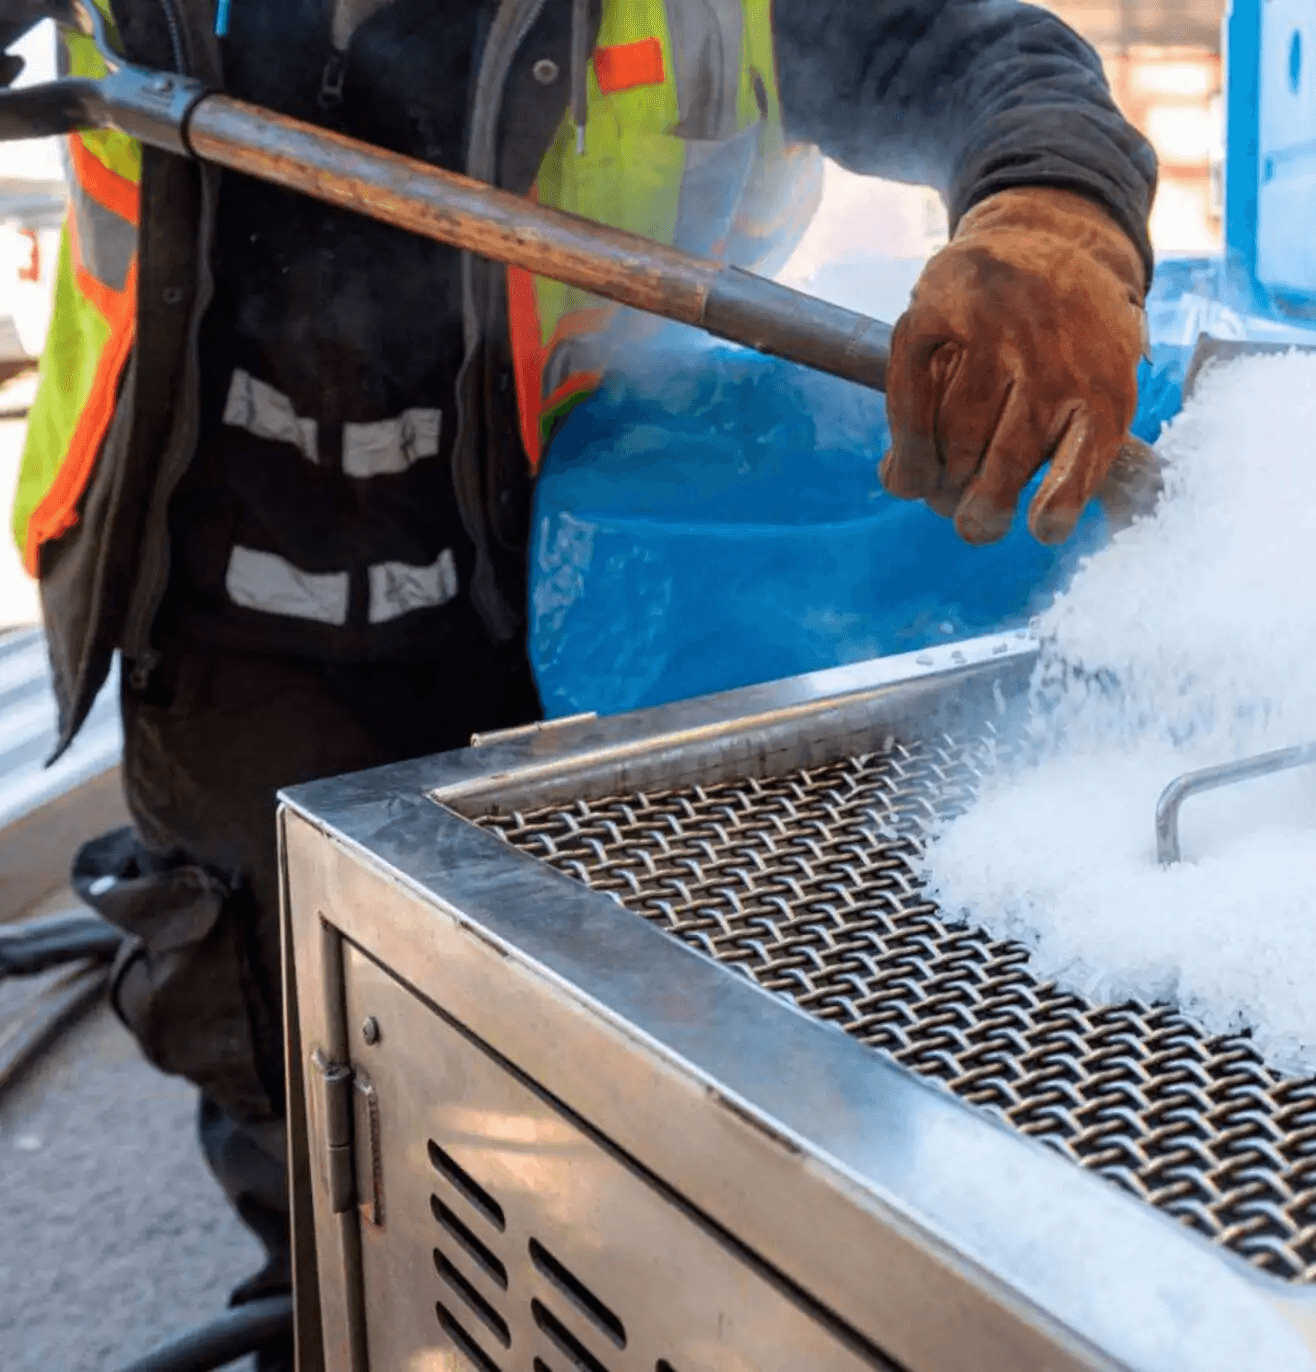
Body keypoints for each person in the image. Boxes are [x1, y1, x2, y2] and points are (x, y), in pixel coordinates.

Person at [8, 0, 1154, 1365]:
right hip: (218, 609)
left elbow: (968, 52)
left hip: (557, 604)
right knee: (269, 1036)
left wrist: (1053, 210)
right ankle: (311, 1303)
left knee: (575, 1063)